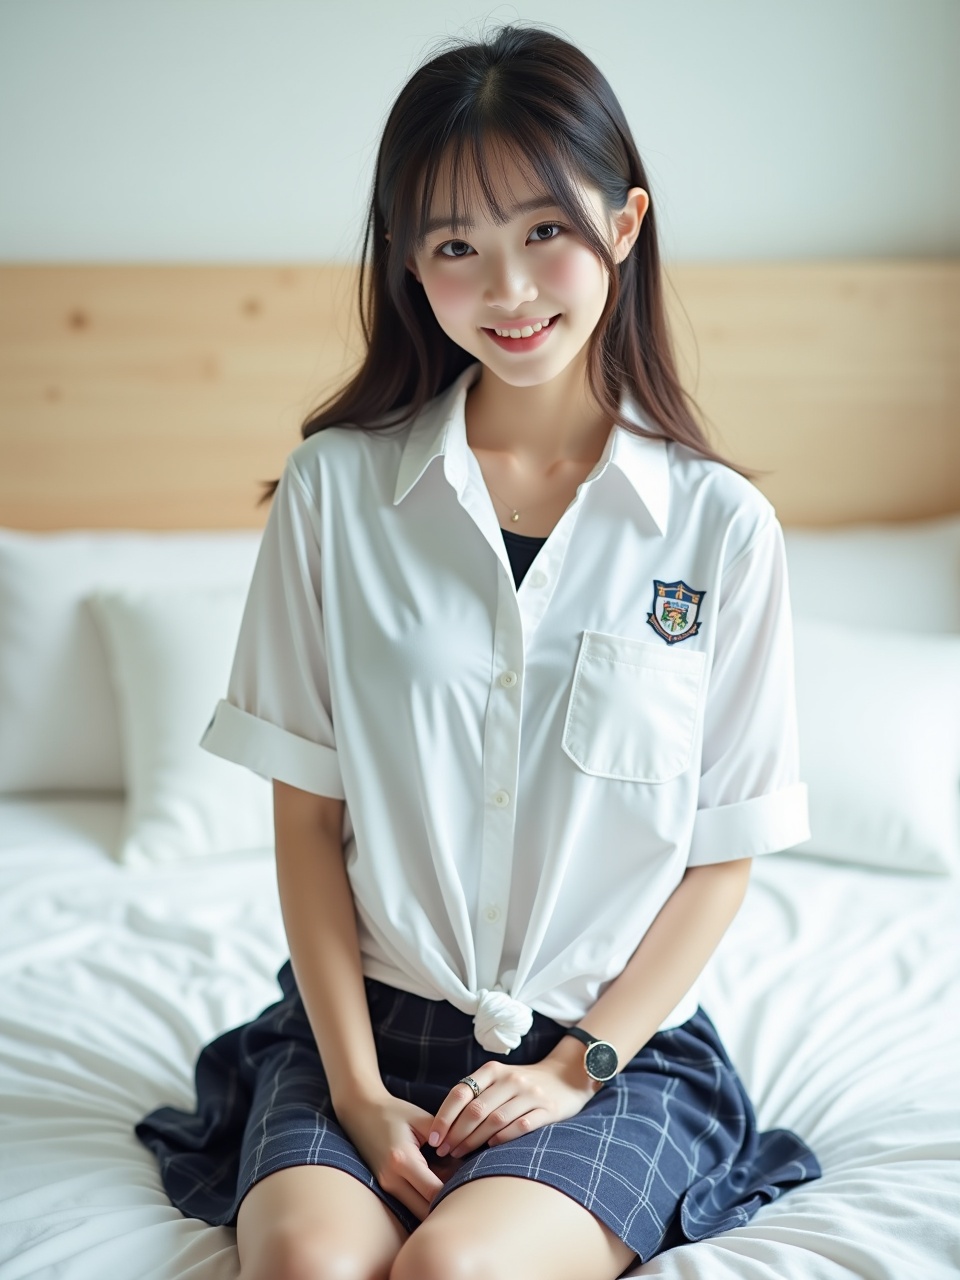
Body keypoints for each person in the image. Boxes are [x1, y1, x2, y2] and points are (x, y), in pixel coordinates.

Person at [135, 22, 821, 1280]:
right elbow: (306, 822)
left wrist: (573, 1068)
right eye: (457, 245)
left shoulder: (722, 529)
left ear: (622, 225)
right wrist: (349, 1082)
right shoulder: (335, 494)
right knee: (306, 1263)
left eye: (543, 231)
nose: (508, 289)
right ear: (409, 265)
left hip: (607, 1051)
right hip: (365, 1028)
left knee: (452, 1269)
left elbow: (721, 859)